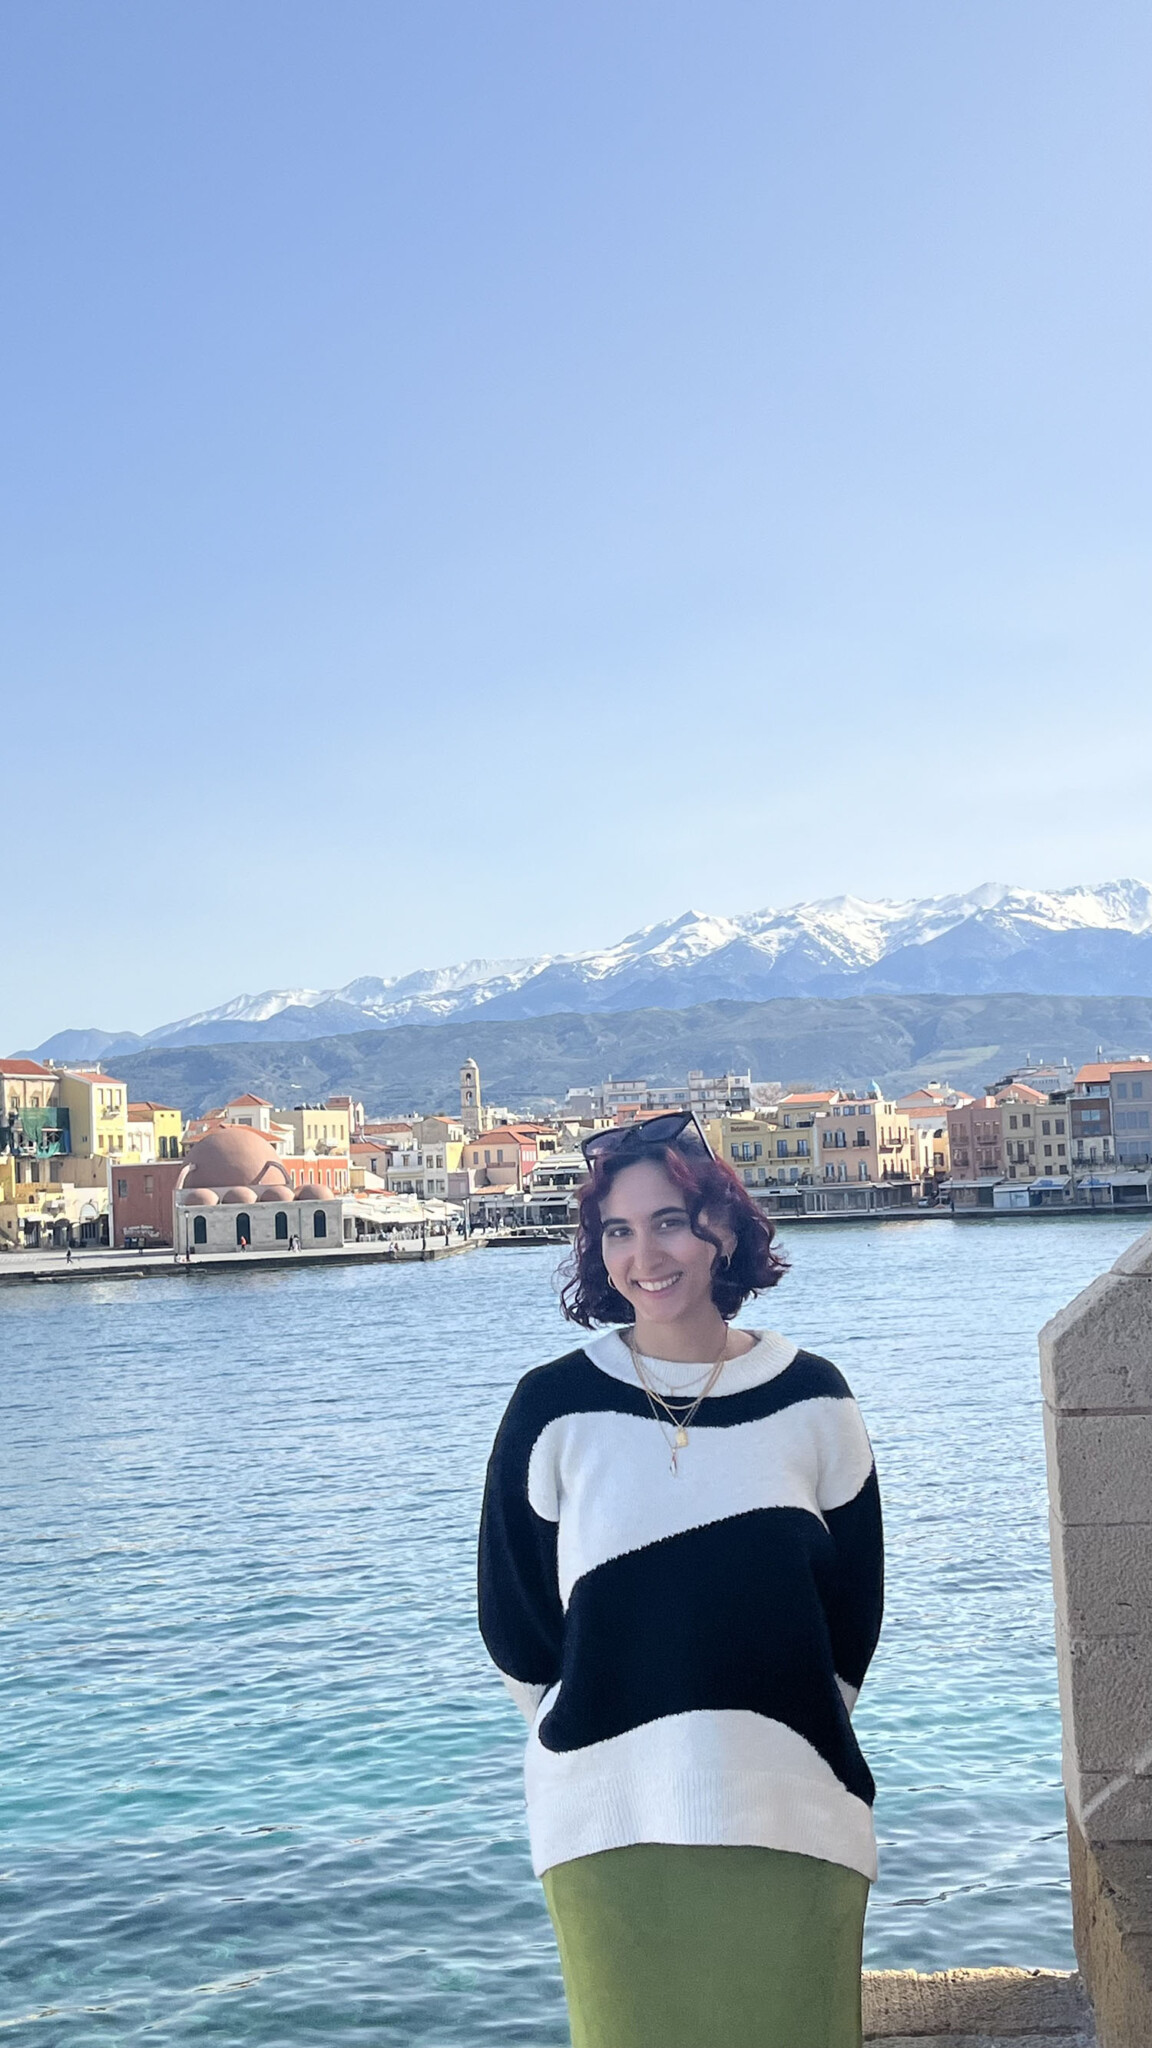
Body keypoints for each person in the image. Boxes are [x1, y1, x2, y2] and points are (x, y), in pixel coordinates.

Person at [478, 1112, 883, 2048]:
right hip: (609, 1822)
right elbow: (517, 1620)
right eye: (616, 1231)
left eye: (668, 1221)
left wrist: (777, 1733)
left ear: (726, 1230)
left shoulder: (814, 1396)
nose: (642, 1255)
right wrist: (586, 1738)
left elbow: (854, 1610)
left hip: (793, 1806)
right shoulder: (553, 1405)